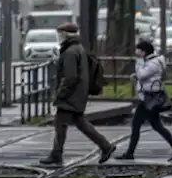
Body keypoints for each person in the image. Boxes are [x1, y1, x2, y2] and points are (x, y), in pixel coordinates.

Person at [40, 22, 116, 166]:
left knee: (60, 125)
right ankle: (106, 146)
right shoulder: (78, 48)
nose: (58, 36)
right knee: (80, 123)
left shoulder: (70, 52)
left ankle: (56, 154)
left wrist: (61, 94)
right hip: (77, 94)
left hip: (70, 95)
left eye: (60, 33)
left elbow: (70, 77)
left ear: (65, 34)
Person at [116, 40, 172, 162]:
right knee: (156, 125)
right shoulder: (152, 61)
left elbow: (143, 75)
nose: (136, 52)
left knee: (136, 124)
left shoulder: (153, 63)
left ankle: (130, 153)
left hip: (149, 98)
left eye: (138, 50)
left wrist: (138, 64)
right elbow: (146, 76)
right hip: (148, 97)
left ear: (143, 51)